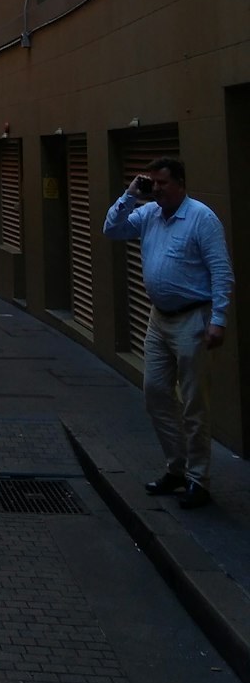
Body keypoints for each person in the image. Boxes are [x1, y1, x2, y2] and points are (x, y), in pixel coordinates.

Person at [103, 157, 234, 509]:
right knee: (156, 393)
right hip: (158, 319)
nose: (156, 189)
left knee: (193, 402)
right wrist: (130, 194)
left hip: (193, 319)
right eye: (153, 183)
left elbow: (221, 271)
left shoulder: (201, 219)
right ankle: (176, 469)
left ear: (180, 183)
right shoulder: (148, 215)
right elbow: (112, 229)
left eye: (162, 184)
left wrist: (218, 319)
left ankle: (198, 479)